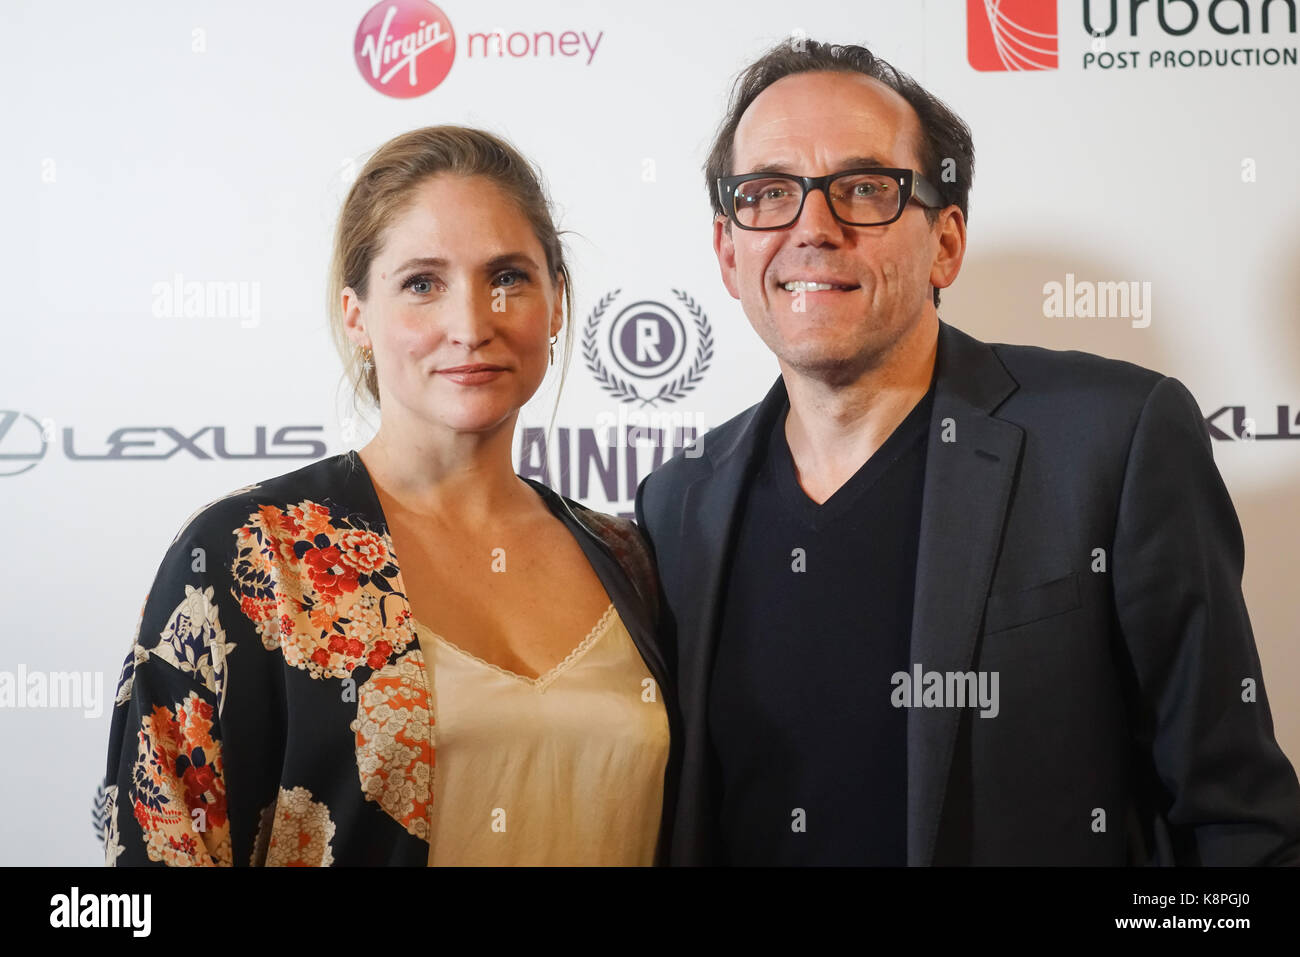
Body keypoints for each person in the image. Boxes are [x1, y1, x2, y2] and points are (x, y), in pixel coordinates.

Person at [634, 38, 1300, 865]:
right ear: (729, 252)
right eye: (767, 193)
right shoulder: (674, 503)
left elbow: (1237, 824)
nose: (813, 227)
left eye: (864, 189)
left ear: (945, 242)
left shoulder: (1112, 440)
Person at [98, 125, 677, 866]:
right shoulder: (252, 551)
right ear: (356, 315)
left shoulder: (625, 556)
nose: (471, 324)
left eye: (508, 277)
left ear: (557, 304)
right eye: (422, 284)